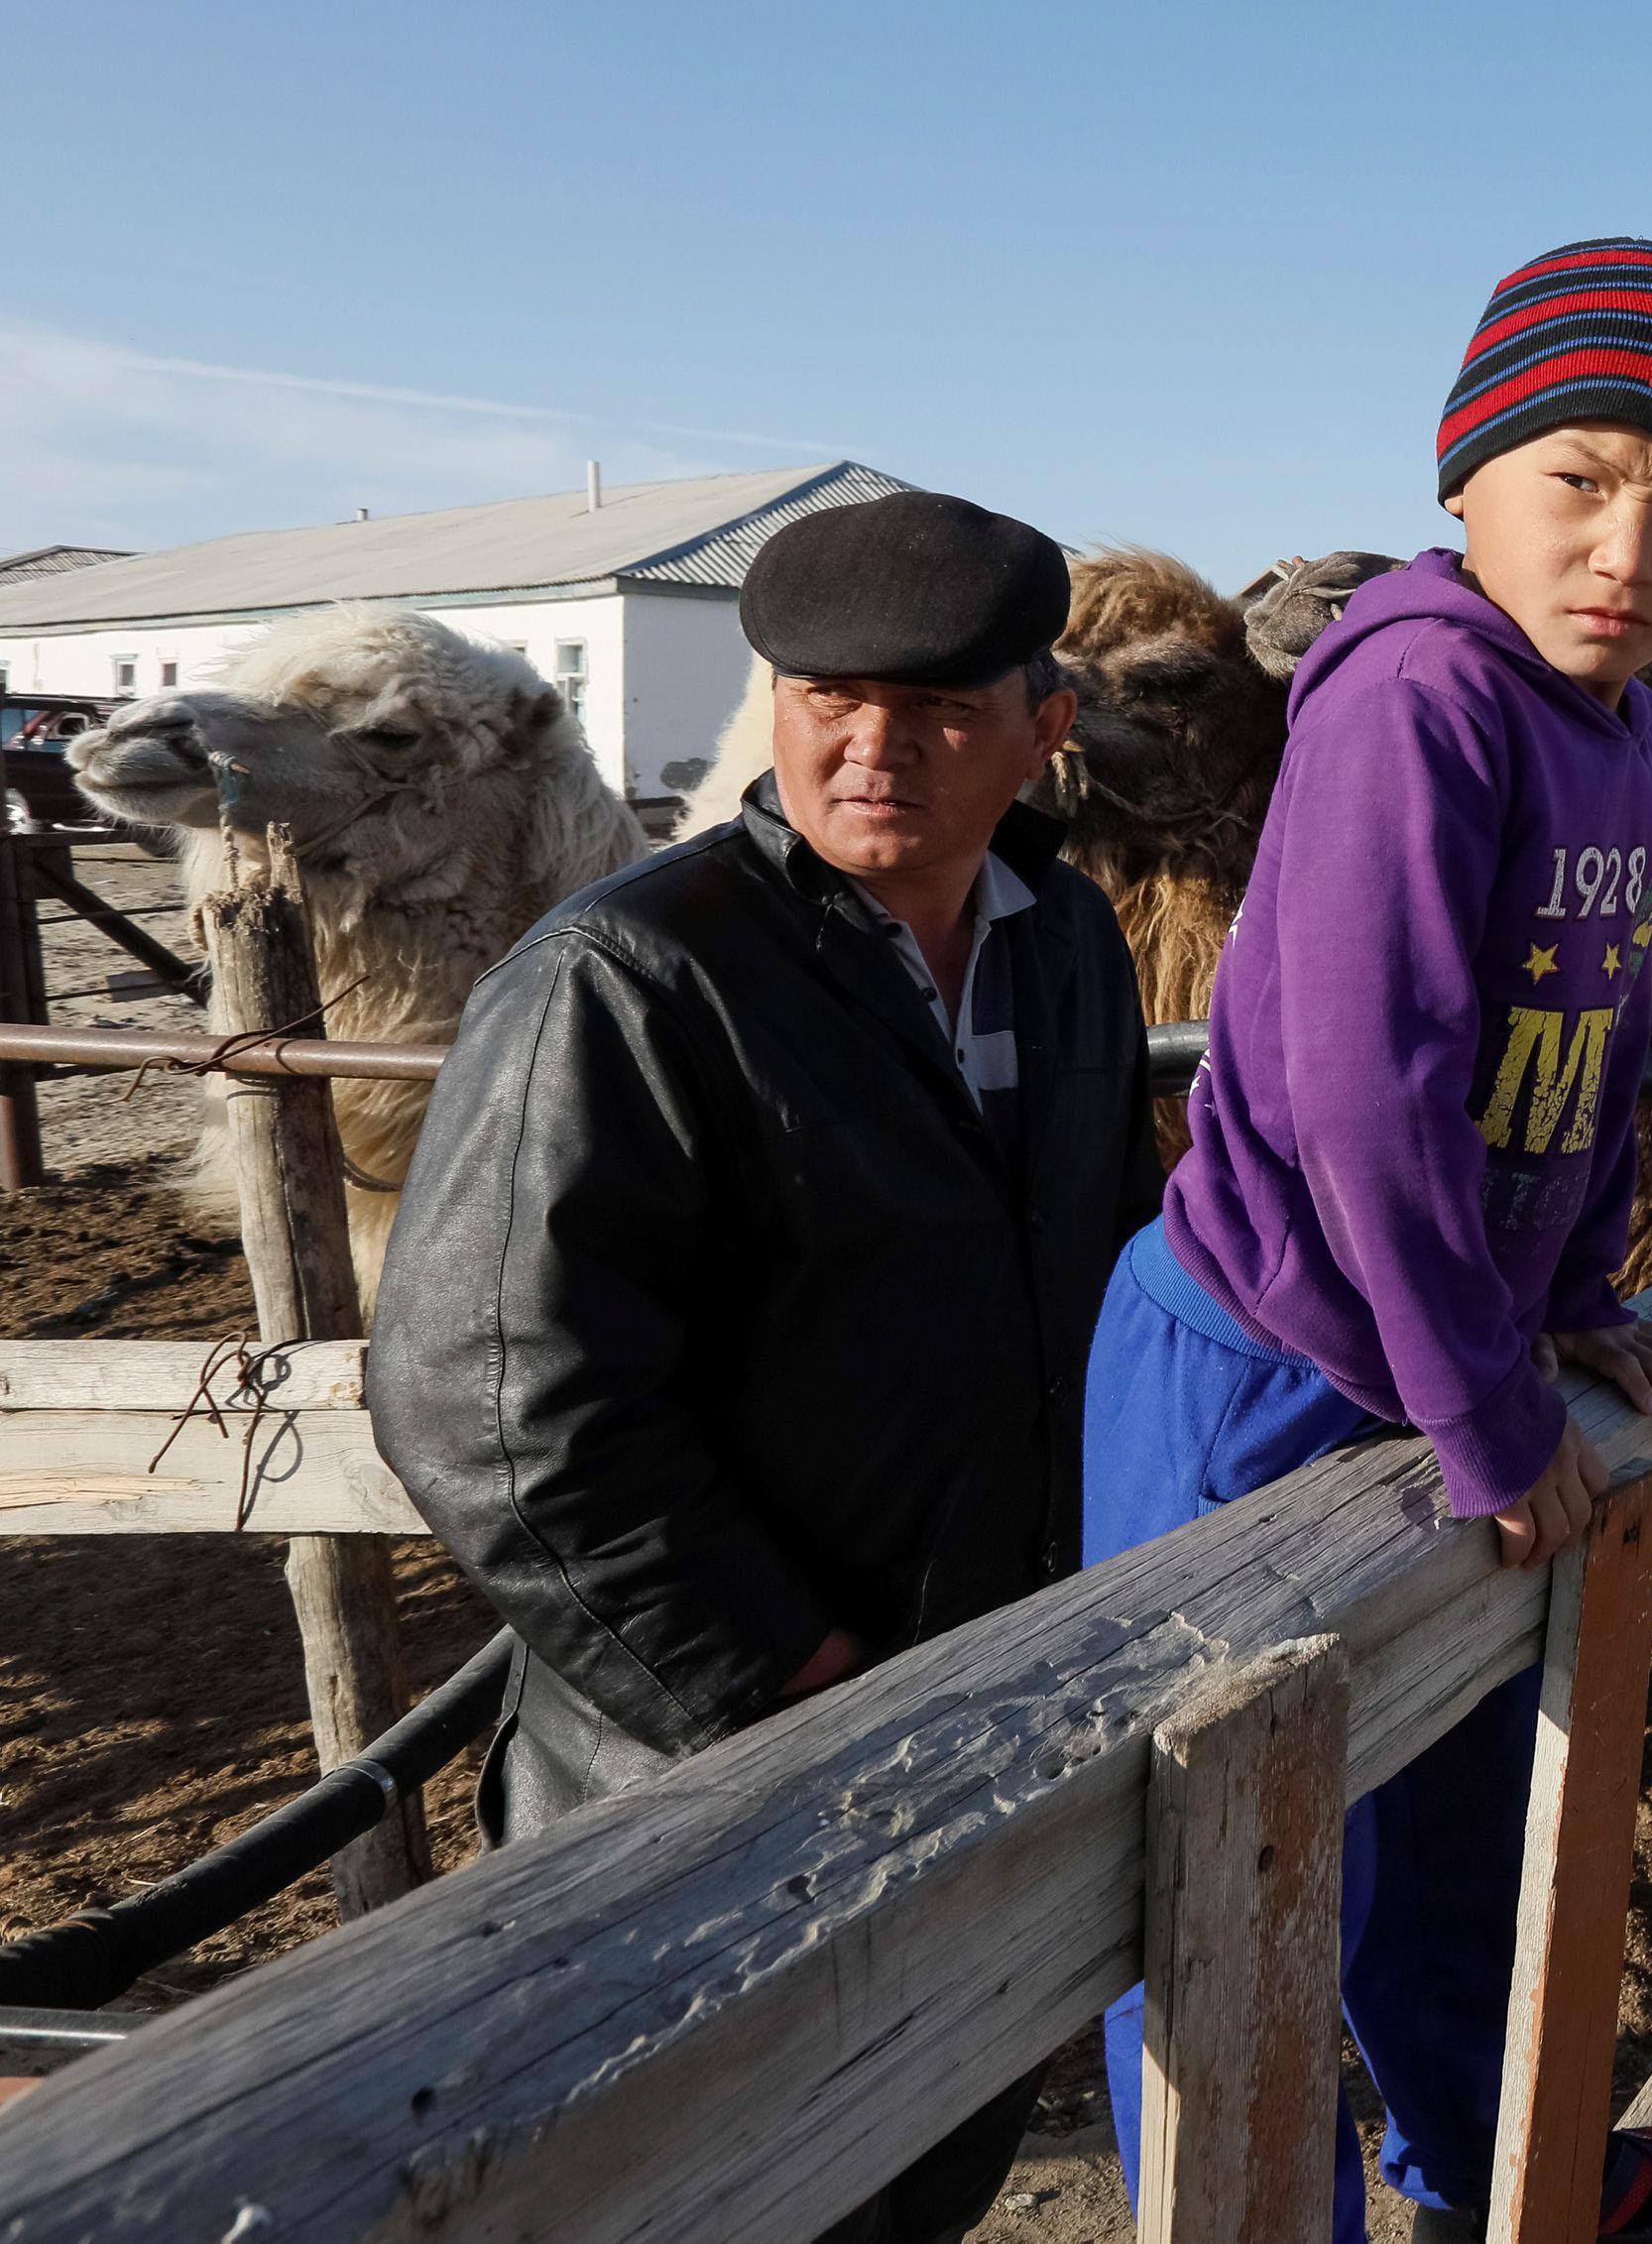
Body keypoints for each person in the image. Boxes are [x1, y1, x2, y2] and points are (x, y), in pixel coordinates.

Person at [369, 489, 1165, 2244]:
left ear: (1045, 729)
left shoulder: (1072, 951)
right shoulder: (633, 975)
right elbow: (491, 1409)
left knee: (921, 2152)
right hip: (703, 1764)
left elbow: (1112, 1272)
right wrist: (787, 1675)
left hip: (984, 1709)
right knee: (706, 2185)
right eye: (827, 699)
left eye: (944, 712)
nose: (873, 749)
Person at [1083, 238, 1652, 2243]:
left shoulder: (1626, 732)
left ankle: (1502, 2173)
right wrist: (1487, 1401)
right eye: (1577, 477)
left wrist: (1569, 1297)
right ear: (1464, 477)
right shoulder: (1413, 700)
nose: (1627, 544)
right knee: (1221, 1856)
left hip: (1455, 1332)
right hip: (1266, 1350)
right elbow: (1366, 1094)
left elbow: (1593, 1033)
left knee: (1450, 1807)